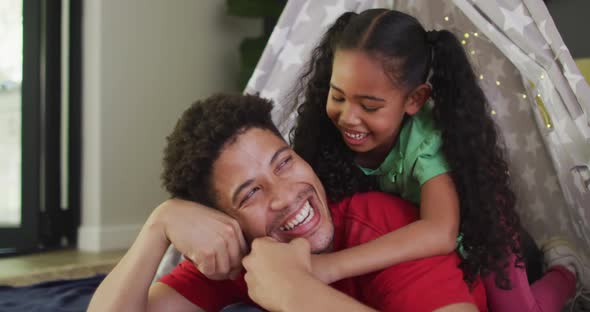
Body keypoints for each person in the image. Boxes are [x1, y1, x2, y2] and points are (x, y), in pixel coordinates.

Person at [288, 8, 587, 311]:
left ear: (414, 99)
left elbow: (440, 232)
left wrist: (330, 267)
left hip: (480, 231)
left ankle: (566, 270)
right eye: (338, 97)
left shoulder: (428, 143)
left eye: (369, 106)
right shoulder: (322, 137)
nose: (348, 117)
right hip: (417, 244)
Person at [87, 93, 484, 312]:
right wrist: (159, 224)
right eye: (251, 193)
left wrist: (296, 293)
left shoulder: (380, 224)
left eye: (284, 162)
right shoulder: (240, 255)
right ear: (226, 223)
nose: (285, 195)